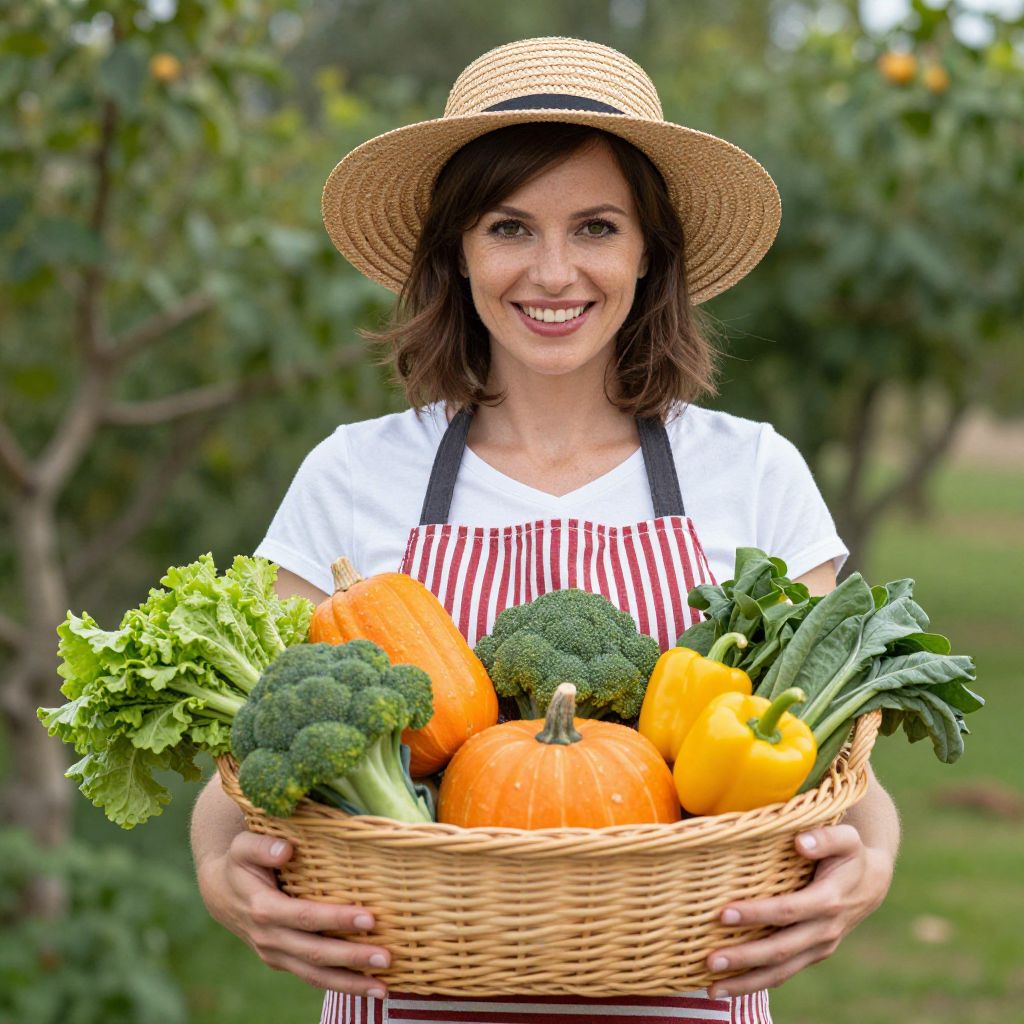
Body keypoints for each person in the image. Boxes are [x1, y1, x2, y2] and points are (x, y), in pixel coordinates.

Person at [189, 35, 900, 1024]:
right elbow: (247, 758)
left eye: (597, 227)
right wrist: (222, 878)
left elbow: (846, 769)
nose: (554, 272)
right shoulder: (353, 474)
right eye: (509, 226)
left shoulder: (751, 474)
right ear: (458, 251)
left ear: (648, 251)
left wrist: (868, 872)